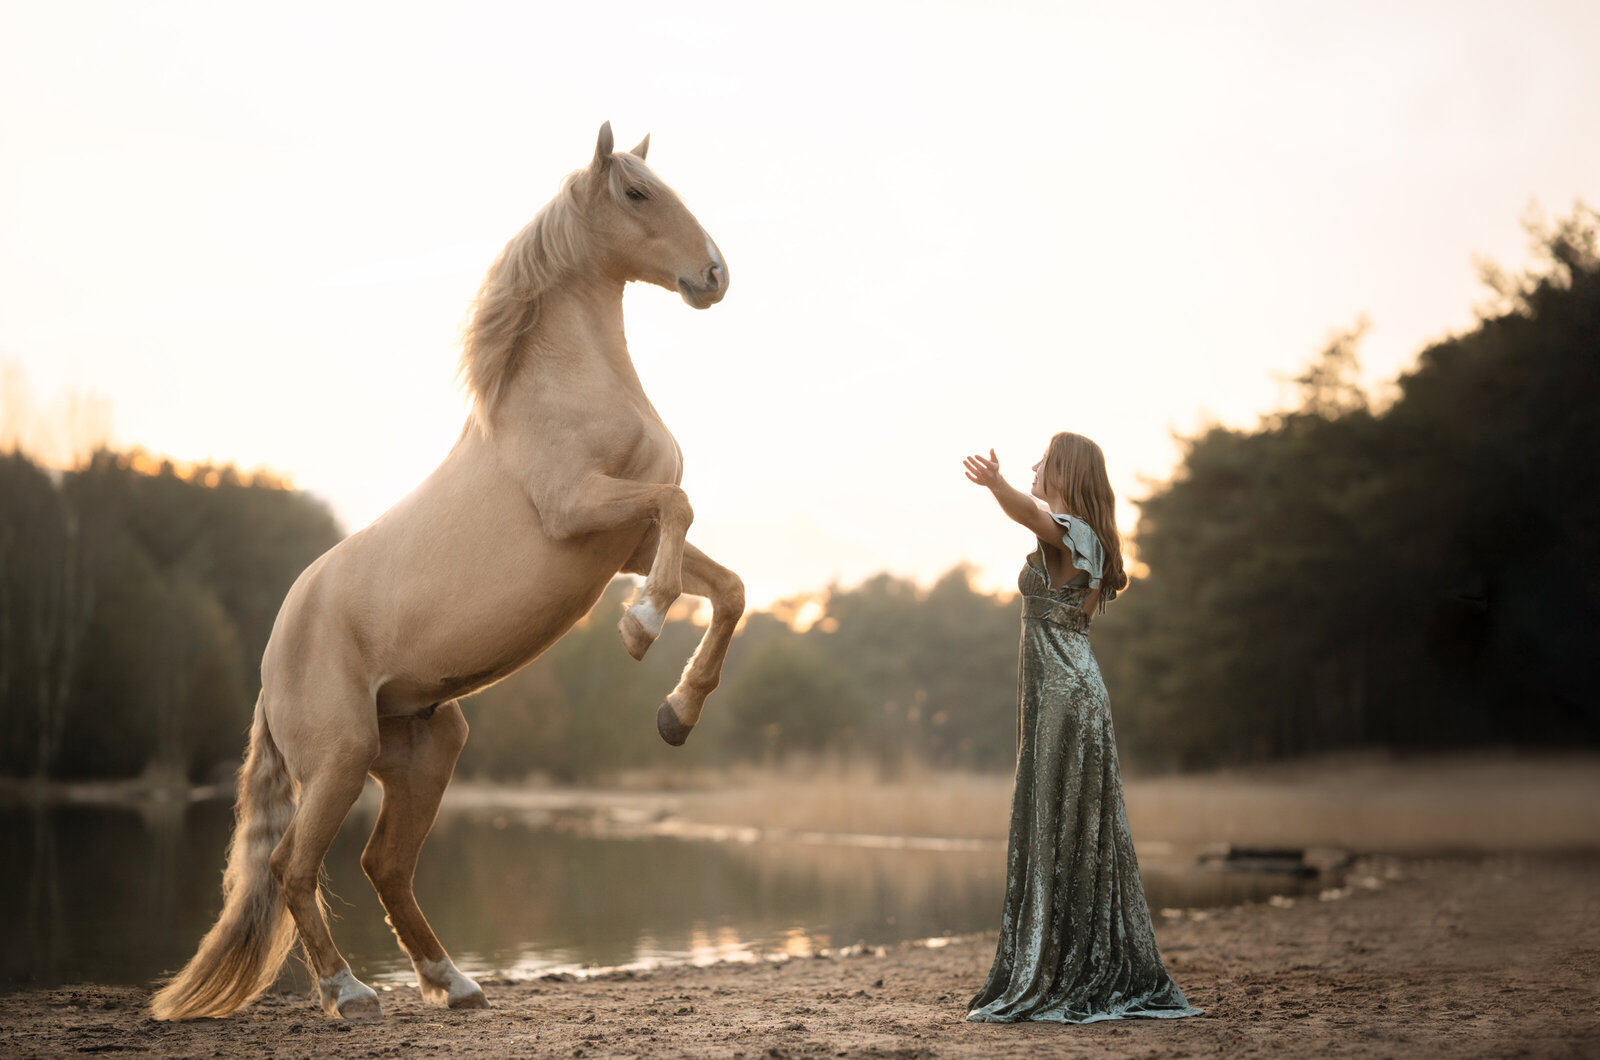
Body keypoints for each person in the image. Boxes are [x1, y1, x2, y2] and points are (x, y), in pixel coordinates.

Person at [962, 432, 1202, 1024]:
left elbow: (1028, 513)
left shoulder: (1075, 532)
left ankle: (1065, 973)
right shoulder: (1080, 534)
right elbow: (1034, 518)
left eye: (1043, 459)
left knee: (1060, 828)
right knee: (1068, 829)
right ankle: (1073, 960)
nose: (1034, 466)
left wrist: (997, 486)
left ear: (1067, 472)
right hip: (1068, 694)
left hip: (1066, 697)